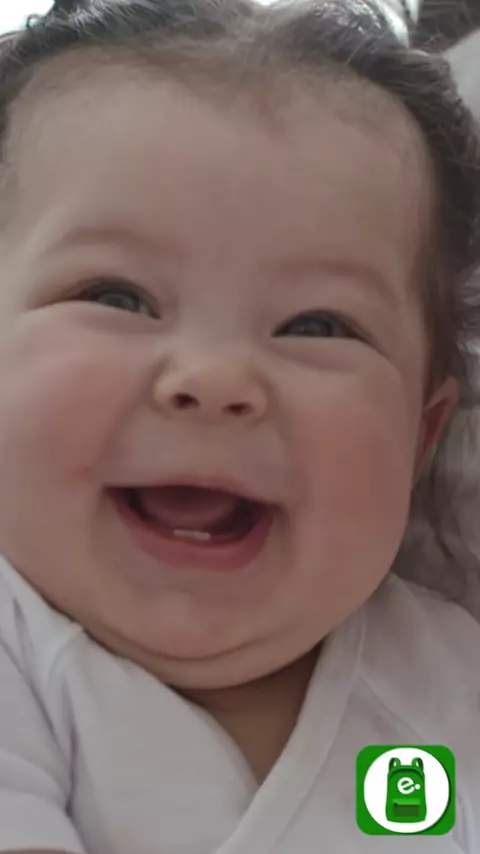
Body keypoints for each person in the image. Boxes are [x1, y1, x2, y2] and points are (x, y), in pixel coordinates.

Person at [0, 0, 479, 851]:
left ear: (421, 434)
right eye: (117, 298)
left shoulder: (449, 678)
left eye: (319, 325)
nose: (216, 380)